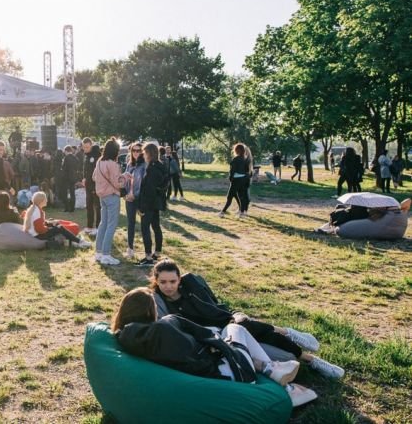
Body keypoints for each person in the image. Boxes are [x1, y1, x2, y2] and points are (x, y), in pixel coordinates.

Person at [110, 287, 318, 408]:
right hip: (227, 375)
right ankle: (276, 375)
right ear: (149, 311)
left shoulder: (125, 336)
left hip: (212, 374)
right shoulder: (163, 328)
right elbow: (197, 354)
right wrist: (222, 346)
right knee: (235, 328)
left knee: (228, 333)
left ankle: (270, 368)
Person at [149, 259, 344, 380]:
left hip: (226, 322)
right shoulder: (159, 302)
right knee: (249, 334)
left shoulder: (191, 286)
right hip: (212, 335)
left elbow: (217, 306)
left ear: (179, 280)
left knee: (245, 325)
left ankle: (308, 356)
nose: (168, 286)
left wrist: (235, 313)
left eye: (173, 281)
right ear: (156, 281)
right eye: (163, 282)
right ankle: (297, 350)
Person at [93, 138, 124, 266]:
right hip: (112, 195)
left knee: (103, 224)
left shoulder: (99, 161)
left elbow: (94, 177)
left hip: (102, 196)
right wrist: (124, 178)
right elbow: (118, 183)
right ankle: (106, 254)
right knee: (111, 225)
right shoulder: (113, 164)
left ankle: (99, 252)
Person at [136, 142, 167, 267]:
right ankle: (157, 252)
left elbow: (148, 190)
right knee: (156, 227)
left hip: (149, 203)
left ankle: (148, 256)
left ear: (149, 153)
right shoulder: (160, 166)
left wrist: (141, 207)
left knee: (145, 228)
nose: (143, 155)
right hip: (156, 202)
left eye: (144, 152)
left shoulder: (152, 168)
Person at [23, 191, 90, 248]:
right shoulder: (37, 212)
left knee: (55, 224)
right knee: (60, 228)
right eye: (45, 199)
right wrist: (50, 228)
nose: (47, 200)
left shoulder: (34, 209)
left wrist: (50, 223)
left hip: (36, 234)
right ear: (41, 201)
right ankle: (79, 241)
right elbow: (40, 230)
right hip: (39, 235)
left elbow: (38, 224)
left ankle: (74, 240)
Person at [122, 142, 145, 261]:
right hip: (129, 198)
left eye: (138, 150)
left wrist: (135, 196)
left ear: (142, 152)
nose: (136, 153)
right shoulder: (129, 164)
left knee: (145, 225)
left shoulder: (144, 165)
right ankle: (130, 248)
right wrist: (126, 195)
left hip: (140, 199)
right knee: (130, 223)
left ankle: (148, 252)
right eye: (134, 150)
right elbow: (125, 182)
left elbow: (144, 184)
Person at [219, 143, 250, 218]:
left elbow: (232, 170)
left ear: (236, 150)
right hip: (243, 180)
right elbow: (247, 170)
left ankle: (222, 212)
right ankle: (242, 213)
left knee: (229, 197)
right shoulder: (245, 159)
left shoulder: (235, 159)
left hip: (236, 180)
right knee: (241, 196)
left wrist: (230, 178)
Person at [81, 138, 101, 235]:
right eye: (84, 147)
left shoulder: (97, 155)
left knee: (97, 206)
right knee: (89, 206)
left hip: (95, 185)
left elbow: (97, 171)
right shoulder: (86, 156)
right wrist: (84, 178)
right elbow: (86, 169)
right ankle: (89, 226)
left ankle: (98, 227)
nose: (85, 149)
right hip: (88, 185)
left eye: (87, 147)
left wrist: (94, 185)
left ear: (91, 145)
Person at [61, 146, 80, 212]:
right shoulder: (75, 158)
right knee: (72, 193)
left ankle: (66, 208)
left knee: (65, 193)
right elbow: (78, 168)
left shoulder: (66, 158)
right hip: (73, 178)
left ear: (66, 151)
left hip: (66, 178)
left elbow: (64, 168)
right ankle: (72, 208)